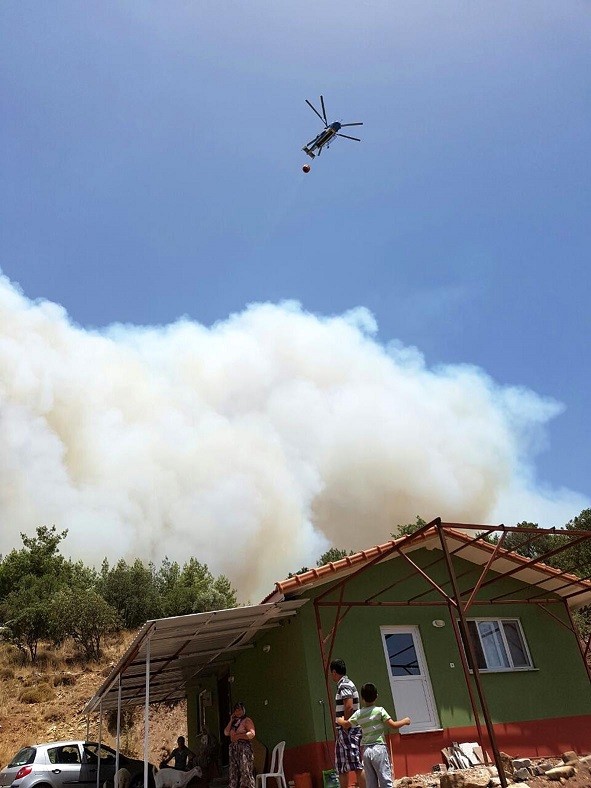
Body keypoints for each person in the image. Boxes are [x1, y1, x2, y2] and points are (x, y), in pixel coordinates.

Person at [337, 683, 411, 788]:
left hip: (366, 751)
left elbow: (346, 725)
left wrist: (340, 720)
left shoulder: (359, 713)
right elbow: (393, 725)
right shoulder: (380, 711)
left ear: (362, 698)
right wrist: (405, 721)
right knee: (385, 780)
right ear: (376, 696)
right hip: (379, 749)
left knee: (371, 783)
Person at [330, 659, 363, 788]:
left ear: (334, 672)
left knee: (356, 764)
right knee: (342, 765)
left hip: (349, 730)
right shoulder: (344, 684)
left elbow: (348, 706)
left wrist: (346, 724)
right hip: (343, 731)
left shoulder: (345, 685)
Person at [224, 702, 256, 788]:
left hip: (244, 749)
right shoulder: (234, 723)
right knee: (233, 771)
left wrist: (239, 736)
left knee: (245, 770)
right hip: (234, 750)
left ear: (244, 710)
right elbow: (226, 732)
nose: (238, 712)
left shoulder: (247, 720)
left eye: (240, 710)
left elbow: (252, 734)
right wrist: (231, 720)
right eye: (236, 710)